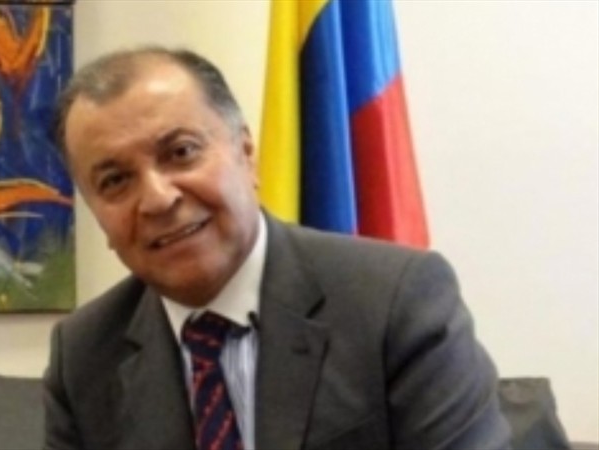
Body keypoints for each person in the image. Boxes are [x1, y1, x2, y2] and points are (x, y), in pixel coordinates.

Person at [44, 46, 511, 450]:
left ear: (246, 154)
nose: (158, 199)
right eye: (115, 181)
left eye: (181, 153)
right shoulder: (85, 355)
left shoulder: (395, 302)